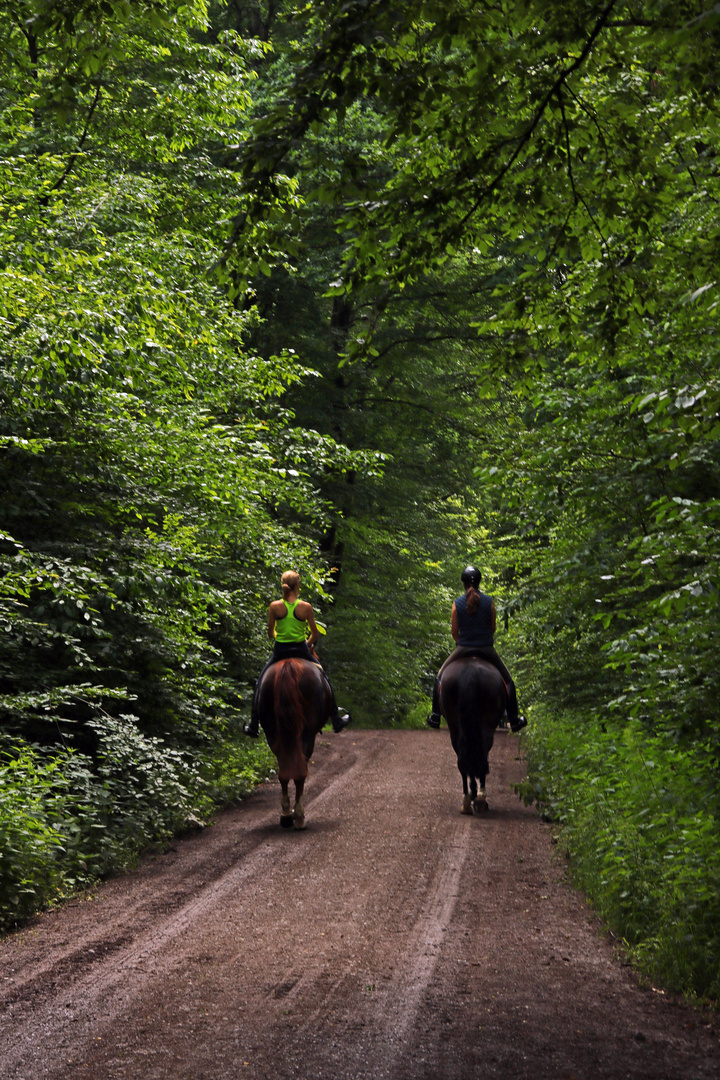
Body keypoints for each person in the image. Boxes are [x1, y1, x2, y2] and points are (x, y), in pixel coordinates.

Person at [243, 570, 351, 738]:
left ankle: (253, 725)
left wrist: (282, 637)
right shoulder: (305, 607)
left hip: (280, 651)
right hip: (301, 649)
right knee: (324, 678)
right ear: (298, 585)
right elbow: (315, 634)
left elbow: (271, 634)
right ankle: (336, 720)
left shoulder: (274, 606)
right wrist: (306, 645)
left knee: (260, 683)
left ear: (283, 586)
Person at [427, 565, 526, 732]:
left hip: (463, 648)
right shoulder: (489, 602)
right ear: (479, 582)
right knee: (508, 680)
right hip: (486, 649)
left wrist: (461, 643)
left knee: (440, 676)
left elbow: (454, 631)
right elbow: (492, 627)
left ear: (463, 583)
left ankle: (435, 716)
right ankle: (514, 719)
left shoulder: (457, 603)